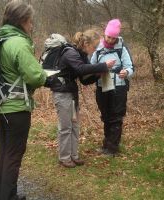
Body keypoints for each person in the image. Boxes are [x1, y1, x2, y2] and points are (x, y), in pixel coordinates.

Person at [0, 1, 47, 200]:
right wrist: (45, 75)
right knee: (14, 155)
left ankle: (4, 195)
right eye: (30, 21)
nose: (32, 25)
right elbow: (35, 77)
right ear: (22, 21)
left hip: (0, 105)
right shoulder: (19, 43)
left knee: (5, 152)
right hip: (16, 108)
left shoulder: (0, 38)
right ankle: (8, 197)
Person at [48, 30, 115, 168]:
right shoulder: (70, 53)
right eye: (94, 47)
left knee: (74, 126)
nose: (94, 50)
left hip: (71, 93)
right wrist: (103, 66)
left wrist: (99, 73)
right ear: (86, 43)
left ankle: (74, 156)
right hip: (62, 93)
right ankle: (64, 158)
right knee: (66, 127)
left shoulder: (81, 54)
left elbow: (84, 79)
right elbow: (81, 69)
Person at [91, 19, 134, 156]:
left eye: (113, 38)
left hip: (119, 88)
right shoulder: (97, 48)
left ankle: (112, 148)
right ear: (104, 34)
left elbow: (130, 67)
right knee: (106, 116)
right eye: (108, 37)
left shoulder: (122, 48)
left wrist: (126, 72)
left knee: (116, 117)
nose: (110, 40)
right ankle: (106, 145)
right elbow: (90, 66)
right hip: (102, 86)